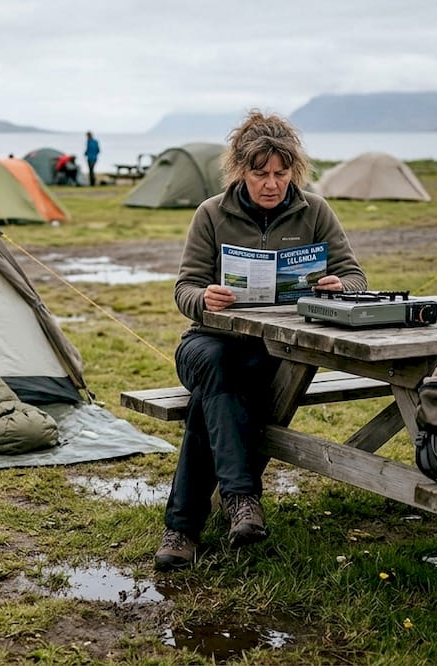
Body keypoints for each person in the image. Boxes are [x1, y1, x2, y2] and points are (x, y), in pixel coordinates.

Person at [154, 110, 367, 571]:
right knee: (218, 366)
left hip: (271, 354)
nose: (271, 183)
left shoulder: (316, 211)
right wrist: (204, 299)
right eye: (260, 173)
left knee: (210, 398)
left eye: (281, 172)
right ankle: (240, 498)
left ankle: (182, 531)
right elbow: (183, 289)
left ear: (294, 171)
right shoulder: (211, 213)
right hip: (206, 344)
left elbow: (354, 276)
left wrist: (340, 287)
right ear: (240, 170)